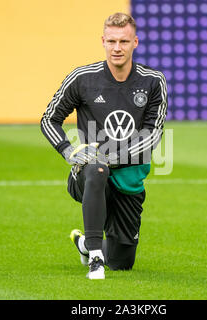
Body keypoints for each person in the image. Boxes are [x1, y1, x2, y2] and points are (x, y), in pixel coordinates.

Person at [40, 12, 167, 279]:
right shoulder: (82, 78)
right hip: (87, 175)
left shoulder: (153, 81)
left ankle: (86, 243)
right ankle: (95, 259)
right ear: (103, 41)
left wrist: (112, 157)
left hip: (128, 180)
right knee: (96, 167)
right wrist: (67, 150)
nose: (117, 48)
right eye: (111, 41)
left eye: (123, 41)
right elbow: (49, 120)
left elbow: (152, 136)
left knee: (122, 262)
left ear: (135, 42)